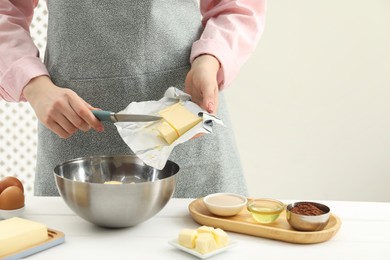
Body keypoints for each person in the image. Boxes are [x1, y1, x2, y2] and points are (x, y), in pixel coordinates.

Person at [0, 0, 266, 197]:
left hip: (185, 125)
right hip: (74, 125)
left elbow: (237, 5)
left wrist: (210, 60)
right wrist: (34, 85)